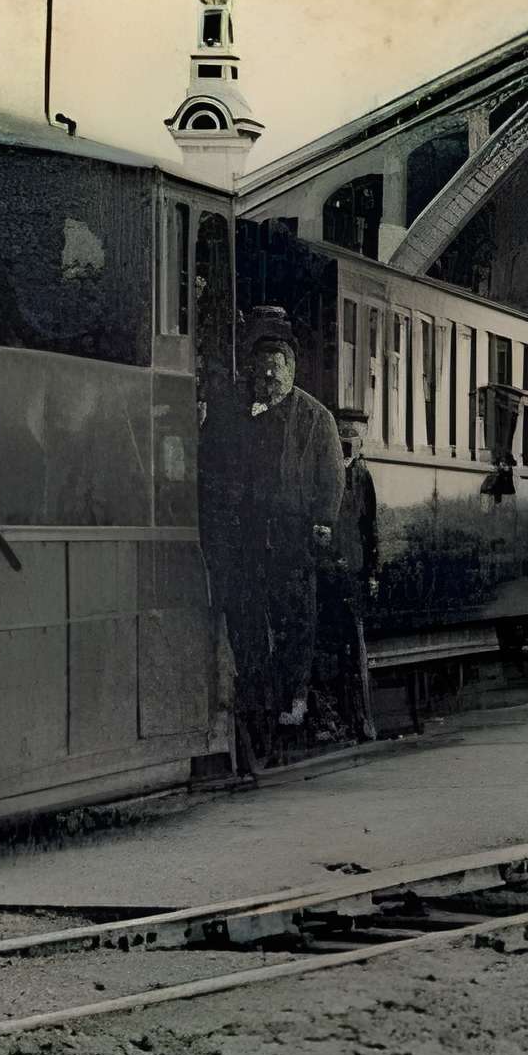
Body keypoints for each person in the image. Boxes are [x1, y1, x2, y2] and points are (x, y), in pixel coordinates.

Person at [199, 306, 342, 769]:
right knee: (246, 627)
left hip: (291, 540)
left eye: (277, 362)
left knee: (294, 624)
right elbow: (209, 473)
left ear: (291, 368)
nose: (268, 372)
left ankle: (290, 702)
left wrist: (322, 520)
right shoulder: (226, 415)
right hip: (242, 541)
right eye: (261, 362)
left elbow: (331, 476)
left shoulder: (315, 419)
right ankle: (257, 709)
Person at [319, 407, 384, 743]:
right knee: (329, 647)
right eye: (345, 434)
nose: (349, 443)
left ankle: (360, 719)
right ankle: (333, 719)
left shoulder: (362, 477)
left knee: (355, 648)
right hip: (325, 571)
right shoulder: (323, 472)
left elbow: (369, 527)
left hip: (353, 574)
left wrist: (373, 572)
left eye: (356, 437)